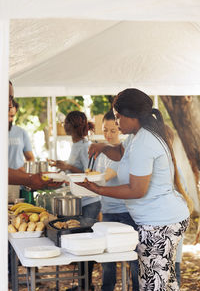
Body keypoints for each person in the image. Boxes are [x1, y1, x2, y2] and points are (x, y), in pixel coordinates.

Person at [78, 88, 192, 291]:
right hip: (163, 219)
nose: (117, 122)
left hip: (160, 225)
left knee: (152, 285)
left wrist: (98, 189)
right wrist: (103, 147)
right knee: (165, 283)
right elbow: (121, 153)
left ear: (132, 115)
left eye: (118, 117)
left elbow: (136, 190)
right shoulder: (138, 136)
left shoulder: (144, 141)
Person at [49, 111, 101, 291]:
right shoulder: (76, 144)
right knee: (80, 243)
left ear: (73, 125)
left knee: (86, 244)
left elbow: (88, 172)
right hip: (80, 200)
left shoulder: (85, 145)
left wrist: (68, 167)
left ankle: (86, 285)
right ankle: (83, 284)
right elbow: (74, 170)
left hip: (90, 201)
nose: (63, 125)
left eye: (66, 122)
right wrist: (62, 166)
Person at [95, 110, 138, 291]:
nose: (109, 134)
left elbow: (106, 176)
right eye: (105, 130)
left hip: (126, 212)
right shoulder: (102, 152)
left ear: (120, 130)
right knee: (107, 258)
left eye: (113, 130)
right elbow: (98, 178)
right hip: (108, 211)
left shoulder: (123, 151)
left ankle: (137, 287)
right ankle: (108, 288)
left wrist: (85, 181)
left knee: (133, 257)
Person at [8, 81, 62, 190]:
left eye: (11, 98)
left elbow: (30, 158)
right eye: (7, 97)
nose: (10, 104)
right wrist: (30, 179)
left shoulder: (20, 132)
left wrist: (31, 177)